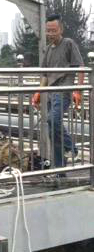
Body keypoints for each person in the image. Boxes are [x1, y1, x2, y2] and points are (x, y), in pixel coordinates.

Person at [32, 13, 84, 168]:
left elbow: (81, 67)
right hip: (50, 93)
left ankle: (71, 148)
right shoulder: (48, 49)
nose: (50, 34)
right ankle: (59, 170)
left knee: (53, 120)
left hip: (63, 91)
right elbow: (45, 75)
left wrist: (78, 90)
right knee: (52, 133)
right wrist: (38, 92)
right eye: (48, 31)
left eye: (54, 31)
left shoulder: (68, 44)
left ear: (60, 29)